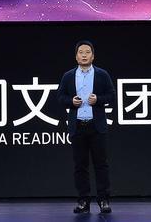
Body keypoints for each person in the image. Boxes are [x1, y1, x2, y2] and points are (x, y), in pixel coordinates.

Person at [56, 40, 116, 214]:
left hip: (97, 127)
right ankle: (83, 201)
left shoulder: (102, 74)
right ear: (76, 56)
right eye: (80, 52)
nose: (84, 55)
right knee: (80, 166)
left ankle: (103, 200)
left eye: (87, 52)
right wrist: (70, 101)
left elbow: (112, 95)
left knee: (101, 165)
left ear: (93, 56)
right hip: (78, 127)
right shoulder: (68, 76)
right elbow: (60, 97)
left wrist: (98, 100)